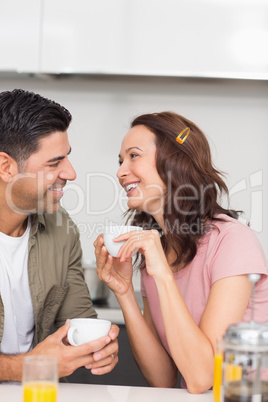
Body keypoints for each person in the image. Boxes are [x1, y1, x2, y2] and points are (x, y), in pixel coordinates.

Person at [94, 111, 268, 393]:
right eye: (120, 161)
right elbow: (162, 377)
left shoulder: (233, 241)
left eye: (134, 156)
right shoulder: (156, 251)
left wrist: (161, 274)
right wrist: (124, 292)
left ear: (174, 162)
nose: (120, 171)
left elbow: (202, 377)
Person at [0, 89, 119, 382]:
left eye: (66, 158)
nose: (71, 172)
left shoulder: (59, 226)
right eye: (54, 163)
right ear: (6, 167)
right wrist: (25, 366)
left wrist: (98, 345)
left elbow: (78, 322)